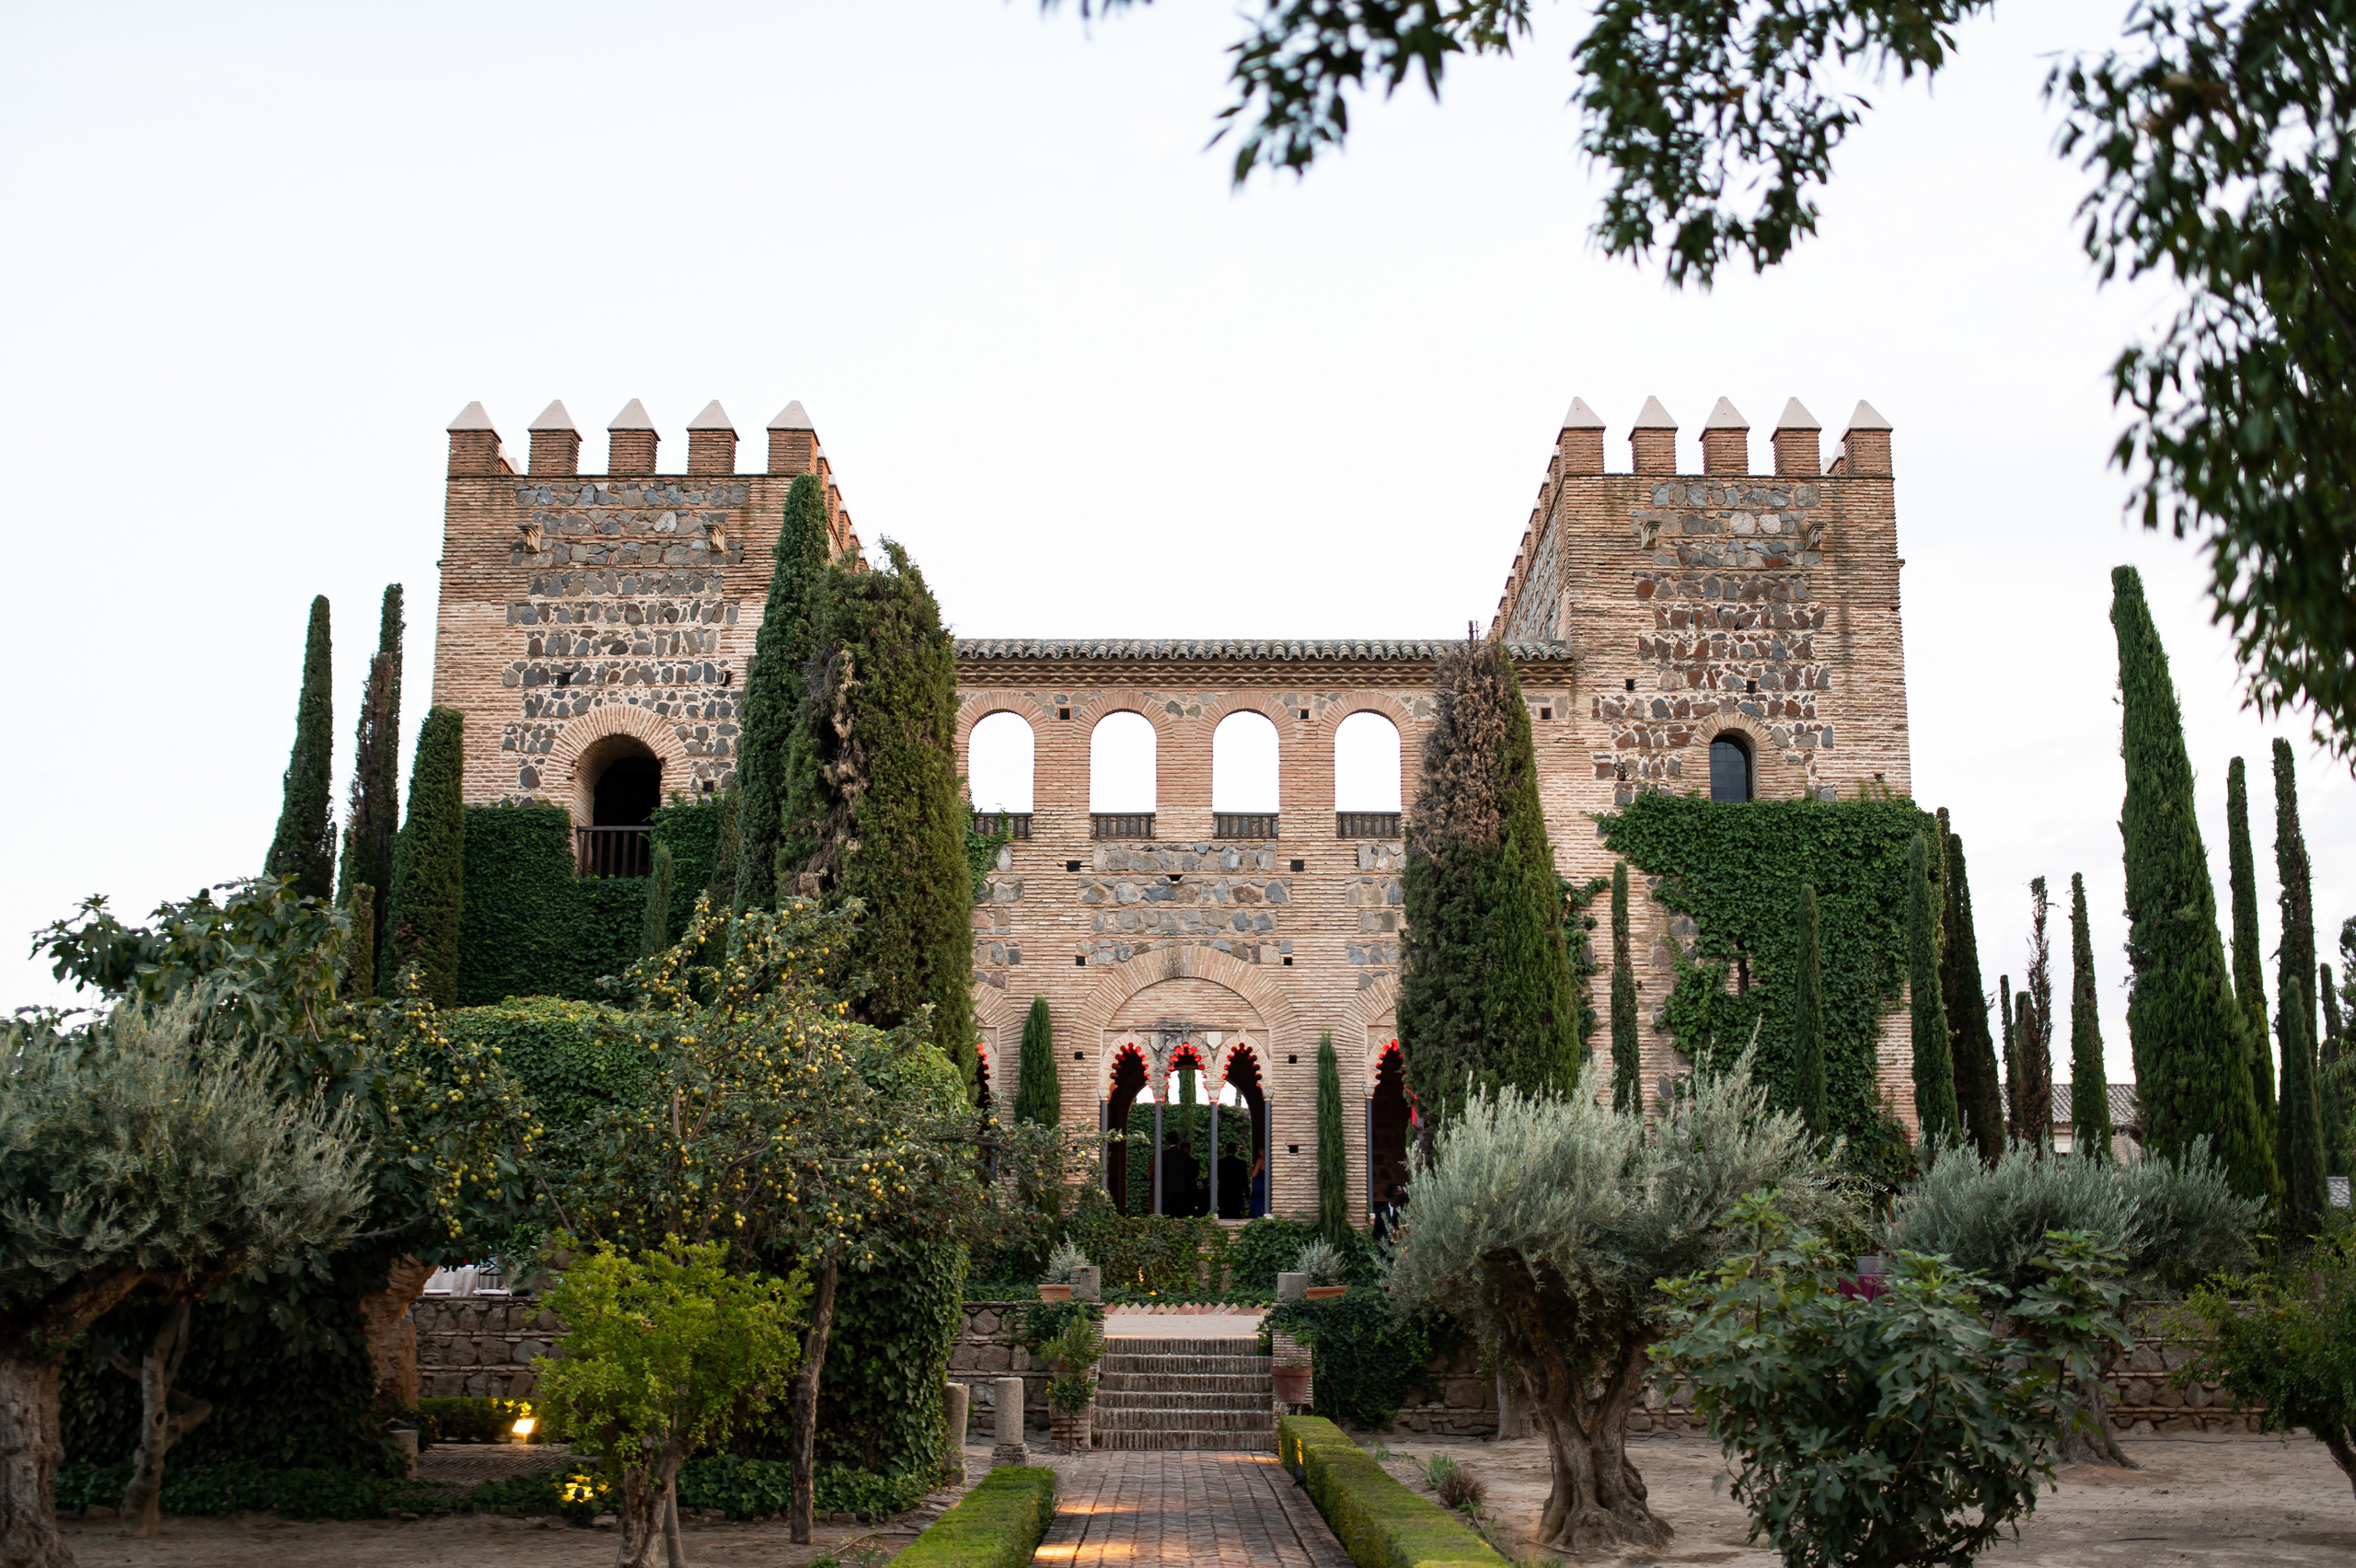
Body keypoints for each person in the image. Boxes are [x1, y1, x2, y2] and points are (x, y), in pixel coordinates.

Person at [1161, 1131, 1201, 1217]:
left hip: (1167, 1190)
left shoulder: (1163, 1156)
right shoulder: (1184, 1157)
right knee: (1179, 1214)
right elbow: (1188, 1174)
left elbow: (1160, 1173)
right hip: (1181, 1190)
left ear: (1167, 1142)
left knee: (1167, 1215)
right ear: (1178, 1142)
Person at [1217, 1138, 1250, 1220]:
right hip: (1237, 1194)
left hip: (1223, 1193)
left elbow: (1216, 1178)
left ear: (1226, 1151)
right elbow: (1244, 1181)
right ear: (1235, 1151)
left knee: (1223, 1215)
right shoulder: (1241, 1164)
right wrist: (1247, 1195)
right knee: (1236, 1215)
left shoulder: (1220, 1163)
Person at [1249, 1149, 1268, 1219]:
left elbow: (1254, 1175)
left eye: (1260, 1150)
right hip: (1266, 1185)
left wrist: (1251, 1170)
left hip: (1259, 1185)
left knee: (1257, 1203)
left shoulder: (1260, 1160)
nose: (1259, 1152)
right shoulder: (1270, 1159)